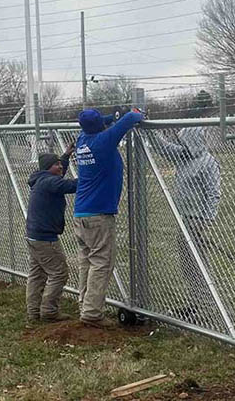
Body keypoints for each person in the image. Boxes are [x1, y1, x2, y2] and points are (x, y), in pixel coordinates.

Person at [74, 107, 144, 326]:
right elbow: (132, 118)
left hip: (81, 213)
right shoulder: (104, 141)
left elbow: (102, 122)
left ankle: (85, 305)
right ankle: (92, 313)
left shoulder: (82, 140)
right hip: (99, 215)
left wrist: (112, 117)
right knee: (101, 263)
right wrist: (135, 110)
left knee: (87, 261)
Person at [150, 127, 221, 317]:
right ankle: (195, 303)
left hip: (197, 220)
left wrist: (206, 221)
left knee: (199, 263)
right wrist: (148, 128)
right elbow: (162, 147)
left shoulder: (208, 162)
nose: (181, 145)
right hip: (183, 219)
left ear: (194, 141)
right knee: (188, 264)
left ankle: (206, 307)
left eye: (184, 142)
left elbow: (213, 194)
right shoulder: (183, 156)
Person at [25, 144, 76, 324]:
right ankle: (49, 311)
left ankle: (33, 312)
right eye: (57, 165)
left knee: (37, 275)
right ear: (48, 168)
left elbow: (58, 171)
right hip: (45, 239)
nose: (60, 168)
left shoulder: (42, 179)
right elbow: (71, 185)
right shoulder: (50, 182)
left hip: (34, 235)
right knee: (59, 273)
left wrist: (65, 156)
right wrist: (93, 174)